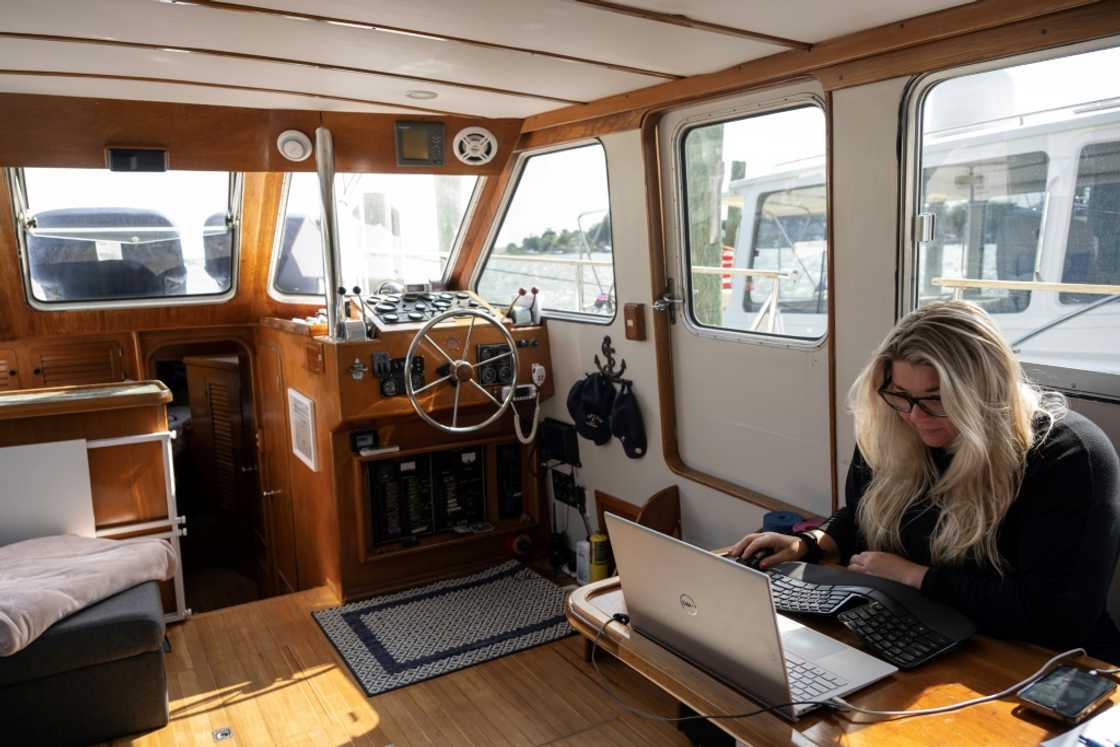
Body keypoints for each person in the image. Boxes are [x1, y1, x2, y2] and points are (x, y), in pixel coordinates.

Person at [730, 300, 1120, 660]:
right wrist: (810, 543)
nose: (916, 416)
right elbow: (863, 516)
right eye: (901, 395)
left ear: (986, 393)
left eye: (937, 398)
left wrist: (915, 577)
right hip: (921, 631)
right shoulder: (894, 428)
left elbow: (1056, 616)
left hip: (1039, 660)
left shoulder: (1068, 457)